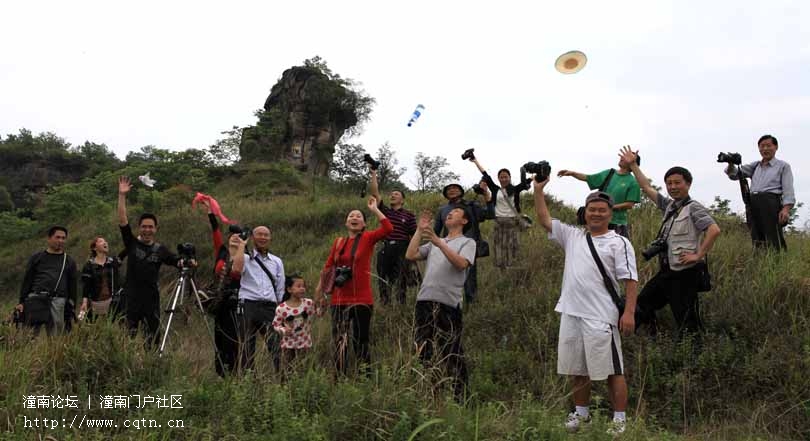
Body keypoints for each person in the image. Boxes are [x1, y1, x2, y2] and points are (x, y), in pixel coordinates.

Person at [533, 175, 638, 435]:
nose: (597, 214)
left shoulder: (619, 242)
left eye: (602, 210)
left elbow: (631, 280)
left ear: (610, 213)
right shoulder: (573, 236)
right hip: (571, 312)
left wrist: (628, 313)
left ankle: (620, 419)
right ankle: (581, 414)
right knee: (576, 367)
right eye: (592, 209)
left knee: (613, 369)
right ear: (585, 212)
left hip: (602, 316)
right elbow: (545, 220)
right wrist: (537, 191)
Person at [620, 146, 721, 339]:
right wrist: (633, 165)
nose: (673, 187)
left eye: (677, 183)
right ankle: (651, 336)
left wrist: (698, 255)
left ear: (688, 184)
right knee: (642, 303)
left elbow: (714, 230)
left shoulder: (693, 208)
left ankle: (693, 359)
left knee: (687, 321)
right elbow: (646, 188)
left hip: (686, 273)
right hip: (667, 271)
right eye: (669, 183)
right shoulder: (670, 206)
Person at [315, 197, 393, 376]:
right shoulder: (338, 242)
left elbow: (388, 229)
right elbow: (328, 269)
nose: (354, 217)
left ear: (364, 223)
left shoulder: (367, 238)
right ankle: (339, 376)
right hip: (339, 299)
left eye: (359, 216)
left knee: (360, 341)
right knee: (339, 341)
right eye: (351, 216)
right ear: (346, 222)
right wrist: (319, 293)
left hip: (361, 299)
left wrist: (375, 209)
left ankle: (365, 377)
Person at [406, 208, 476, 401]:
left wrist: (438, 242)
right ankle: (429, 394)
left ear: (464, 221)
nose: (450, 213)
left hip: (449, 305)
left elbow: (461, 264)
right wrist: (420, 231)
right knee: (423, 350)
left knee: (451, 351)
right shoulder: (434, 243)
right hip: (424, 302)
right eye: (449, 212)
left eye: (456, 212)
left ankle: (460, 399)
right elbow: (411, 254)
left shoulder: (468, 242)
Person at [117, 176, 183, 346]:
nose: (147, 229)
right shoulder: (131, 244)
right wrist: (122, 195)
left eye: (150, 227)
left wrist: (186, 262)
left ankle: (151, 368)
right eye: (144, 226)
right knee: (125, 340)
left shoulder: (161, 250)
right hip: (130, 299)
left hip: (151, 300)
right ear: (140, 228)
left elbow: (176, 261)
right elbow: (123, 221)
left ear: (155, 229)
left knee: (152, 340)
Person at [724, 134, 795, 250]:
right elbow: (735, 174)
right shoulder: (756, 165)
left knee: (773, 236)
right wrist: (730, 162)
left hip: (770, 202)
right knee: (756, 235)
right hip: (752, 203)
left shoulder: (783, 166)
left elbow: (788, 189)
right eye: (762, 146)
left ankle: (777, 262)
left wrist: (786, 209)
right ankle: (760, 260)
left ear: (776, 147)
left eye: (768, 145)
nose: (765, 149)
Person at [201, 200, 245, 377]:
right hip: (220, 303)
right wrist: (211, 212)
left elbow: (238, 271)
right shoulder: (221, 253)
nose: (235, 237)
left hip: (236, 304)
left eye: (239, 235)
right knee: (218, 339)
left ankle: (234, 375)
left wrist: (241, 248)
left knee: (232, 342)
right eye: (232, 235)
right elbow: (215, 231)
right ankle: (221, 375)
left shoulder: (245, 256)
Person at [557, 154, 642, 238]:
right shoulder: (610, 173)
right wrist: (572, 173)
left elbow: (629, 204)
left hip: (616, 223)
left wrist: (609, 207)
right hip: (599, 221)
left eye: (627, 157)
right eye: (623, 156)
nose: (622, 157)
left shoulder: (633, 182)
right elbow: (588, 178)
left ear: (633, 163)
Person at [236, 225, 284, 372]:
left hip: (269, 306)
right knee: (246, 347)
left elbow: (280, 286)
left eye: (266, 235)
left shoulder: (276, 261)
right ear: (253, 237)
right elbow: (237, 269)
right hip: (248, 304)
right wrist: (241, 245)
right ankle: (249, 382)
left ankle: (282, 380)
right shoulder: (245, 257)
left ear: (270, 238)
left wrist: (279, 307)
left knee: (275, 345)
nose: (263, 237)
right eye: (259, 234)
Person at [468, 156, 531, 268]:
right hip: (499, 221)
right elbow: (485, 174)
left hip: (512, 221)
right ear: (498, 179)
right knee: (499, 245)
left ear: (510, 177)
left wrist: (537, 174)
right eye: (501, 177)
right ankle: (501, 267)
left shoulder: (516, 189)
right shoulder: (495, 189)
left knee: (513, 245)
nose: (503, 179)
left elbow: (529, 180)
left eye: (506, 177)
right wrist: (475, 161)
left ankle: (513, 266)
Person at [16, 226, 79, 336]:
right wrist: (21, 301)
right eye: (57, 237)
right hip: (36, 298)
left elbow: (72, 284)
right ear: (49, 238)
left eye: (63, 238)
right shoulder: (37, 257)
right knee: (29, 335)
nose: (60, 241)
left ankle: (53, 353)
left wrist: (72, 304)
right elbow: (27, 280)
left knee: (56, 336)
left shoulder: (68, 261)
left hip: (58, 299)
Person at [368, 167, 417, 305]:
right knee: (383, 279)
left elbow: (414, 235)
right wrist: (373, 174)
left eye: (396, 194)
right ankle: (385, 304)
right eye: (391, 194)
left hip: (402, 249)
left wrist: (412, 254)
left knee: (401, 280)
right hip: (386, 248)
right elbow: (375, 193)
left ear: (402, 199)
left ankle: (401, 305)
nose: (392, 195)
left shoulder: (409, 215)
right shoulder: (385, 211)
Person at [433, 184, 489, 303]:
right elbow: (436, 231)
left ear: (461, 191)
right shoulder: (442, 210)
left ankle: (471, 307)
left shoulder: (471, 206)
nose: (452, 190)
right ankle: (448, 305)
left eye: (455, 188)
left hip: (468, 247)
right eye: (448, 189)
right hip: (448, 248)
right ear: (445, 194)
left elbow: (490, 214)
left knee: (469, 280)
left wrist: (485, 194)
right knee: (447, 278)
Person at [272, 273, 322, 378]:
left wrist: (323, 305)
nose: (302, 289)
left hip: (305, 344)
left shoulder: (308, 303)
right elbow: (275, 325)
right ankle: (287, 391)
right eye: (298, 286)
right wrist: (284, 330)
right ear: (289, 289)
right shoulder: (281, 308)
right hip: (288, 346)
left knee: (305, 370)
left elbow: (318, 313)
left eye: (303, 286)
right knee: (287, 371)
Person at [79, 236, 121, 322]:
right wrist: (84, 302)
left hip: (112, 302)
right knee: (93, 329)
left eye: (106, 241)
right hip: (95, 303)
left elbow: (125, 253)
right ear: (94, 248)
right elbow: (86, 286)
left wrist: (136, 241)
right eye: (101, 241)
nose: (105, 243)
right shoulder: (89, 265)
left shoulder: (113, 261)